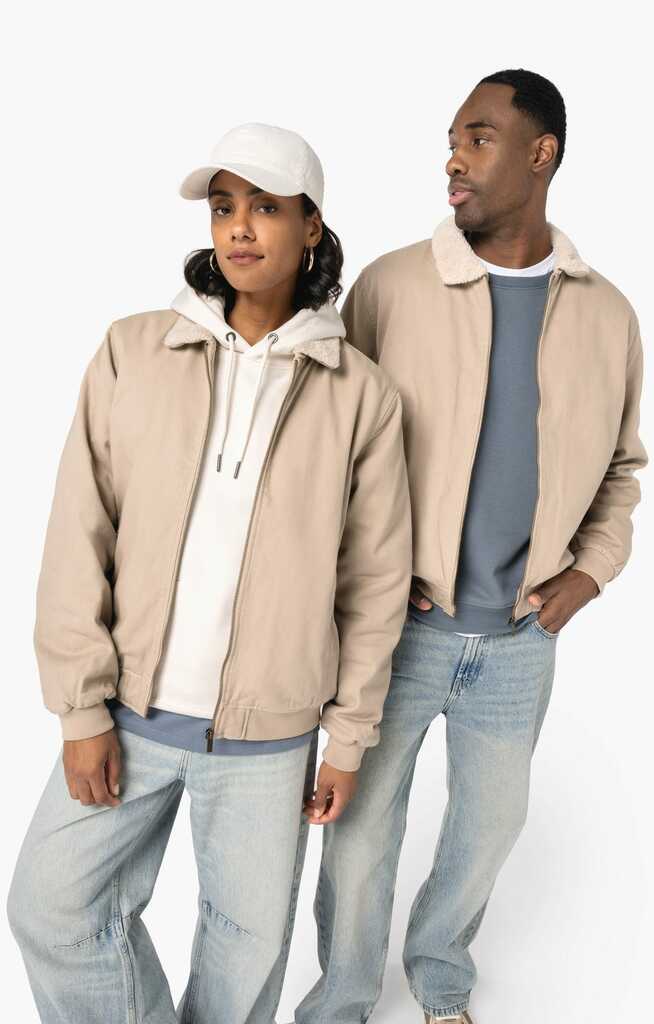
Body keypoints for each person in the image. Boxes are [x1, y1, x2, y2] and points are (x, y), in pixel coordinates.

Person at [6, 122, 412, 1023]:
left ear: (311, 226)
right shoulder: (134, 350)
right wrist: (81, 709)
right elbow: (78, 534)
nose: (239, 227)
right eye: (225, 207)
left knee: (245, 954)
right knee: (50, 907)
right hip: (131, 711)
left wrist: (348, 740)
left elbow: (375, 585)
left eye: (264, 207)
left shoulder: (361, 395)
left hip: (272, 735)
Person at [291, 70, 648, 1024]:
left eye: (479, 138)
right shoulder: (391, 286)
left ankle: (441, 977)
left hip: (522, 639)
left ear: (542, 154)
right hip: (400, 629)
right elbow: (330, 448)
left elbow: (623, 467)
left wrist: (589, 574)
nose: (454, 159)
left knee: (489, 831)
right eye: (453, 140)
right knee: (360, 835)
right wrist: (358, 578)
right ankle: (341, 1000)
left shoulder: (607, 313)